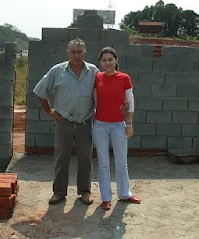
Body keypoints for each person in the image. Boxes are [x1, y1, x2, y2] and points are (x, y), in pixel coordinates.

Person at [33, 38, 129, 205]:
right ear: (68, 53)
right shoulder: (57, 71)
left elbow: (108, 89)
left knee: (85, 158)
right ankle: (59, 192)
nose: (76, 55)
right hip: (64, 122)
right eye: (73, 52)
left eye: (79, 52)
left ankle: (85, 191)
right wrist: (49, 110)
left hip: (85, 122)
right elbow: (41, 91)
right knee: (62, 157)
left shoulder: (93, 72)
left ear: (85, 53)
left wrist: (123, 107)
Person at [92, 46, 141, 210]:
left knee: (121, 162)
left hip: (119, 126)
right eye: (104, 60)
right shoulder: (97, 77)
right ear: (100, 62)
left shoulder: (124, 78)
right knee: (103, 163)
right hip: (100, 126)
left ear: (116, 60)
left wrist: (129, 124)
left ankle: (125, 194)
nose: (107, 63)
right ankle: (106, 197)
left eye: (110, 59)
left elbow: (131, 102)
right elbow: (91, 99)